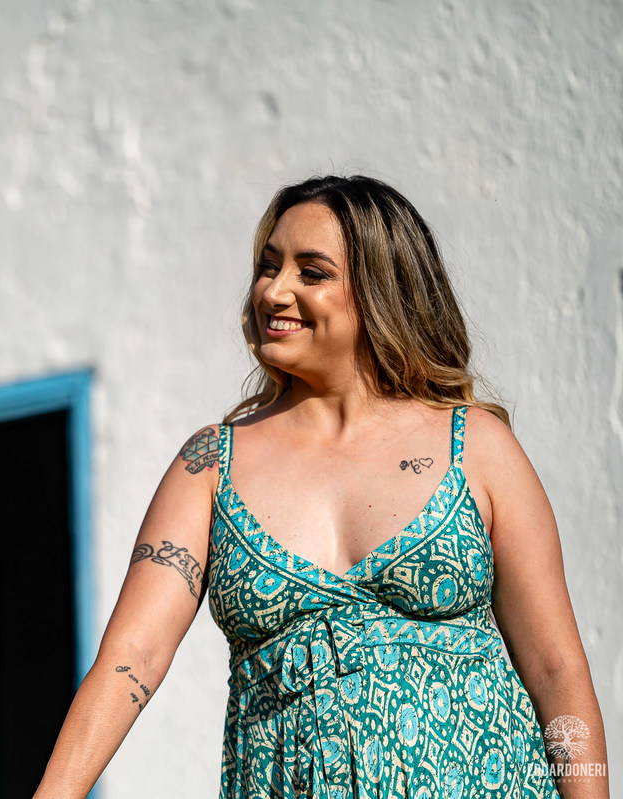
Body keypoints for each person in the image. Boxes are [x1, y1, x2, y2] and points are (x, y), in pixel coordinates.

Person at [34, 176, 608, 798]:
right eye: (268, 266)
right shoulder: (209, 466)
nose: (274, 291)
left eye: (312, 272)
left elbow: (557, 673)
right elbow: (130, 661)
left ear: (382, 290)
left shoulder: (474, 448)